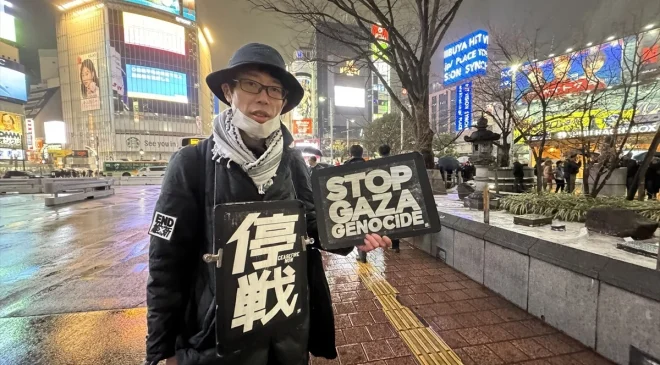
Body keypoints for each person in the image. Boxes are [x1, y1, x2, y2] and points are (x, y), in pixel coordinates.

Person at [144, 43, 391, 365]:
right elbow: (165, 261)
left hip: (285, 327)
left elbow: (311, 224)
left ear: (283, 103)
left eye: (275, 90)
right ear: (228, 90)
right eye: (251, 84)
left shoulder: (292, 161)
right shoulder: (191, 163)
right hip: (215, 337)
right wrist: (162, 350)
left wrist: (355, 233)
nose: (263, 97)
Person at [343, 145, 369, 263]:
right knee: (365, 226)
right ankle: (363, 254)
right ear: (362, 153)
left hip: (352, 201)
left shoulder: (346, 166)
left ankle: (360, 253)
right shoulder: (368, 165)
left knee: (357, 227)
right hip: (367, 201)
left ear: (350, 153)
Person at [378, 144, 400, 253]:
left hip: (382, 196)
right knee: (395, 218)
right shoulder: (395, 162)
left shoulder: (377, 164)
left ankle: (386, 242)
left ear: (379, 152)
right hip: (395, 194)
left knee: (385, 219)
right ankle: (396, 244)